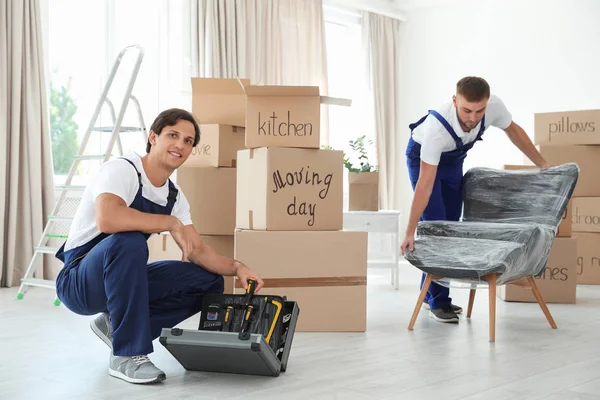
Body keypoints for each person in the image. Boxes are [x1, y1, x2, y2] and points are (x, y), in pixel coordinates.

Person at [55, 108, 264, 384]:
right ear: (153, 137)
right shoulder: (123, 170)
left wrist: (237, 267)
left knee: (209, 282)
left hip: (120, 278)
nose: (180, 145)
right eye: (173, 135)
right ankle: (127, 354)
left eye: (188, 141)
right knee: (128, 241)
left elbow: (197, 250)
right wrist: (169, 222)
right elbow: (108, 219)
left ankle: (115, 328)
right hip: (80, 281)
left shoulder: (174, 197)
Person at [400, 77, 550, 323]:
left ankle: (428, 296)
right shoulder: (436, 130)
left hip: (453, 162)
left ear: (487, 103)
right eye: (466, 110)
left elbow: (513, 131)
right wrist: (409, 231)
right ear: (455, 100)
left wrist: (542, 163)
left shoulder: (494, 107)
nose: (472, 117)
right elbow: (425, 185)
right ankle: (439, 301)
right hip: (422, 159)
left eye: (479, 111)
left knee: (452, 224)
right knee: (438, 227)